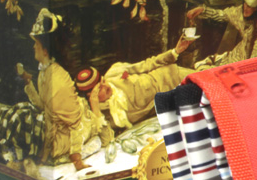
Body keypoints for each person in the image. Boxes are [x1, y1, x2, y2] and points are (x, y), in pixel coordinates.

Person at [21, 9, 111, 170]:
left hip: (66, 138)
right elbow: (43, 106)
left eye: (37, 44)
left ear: (45, 50)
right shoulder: (44, 73)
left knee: (104, 134)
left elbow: (77, 126)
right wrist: (28, 82)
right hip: (58, 130)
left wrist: (77, 159)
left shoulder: (58, 79)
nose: (33, 47)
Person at [75, 37, 196, 130]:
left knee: (206, 81)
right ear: (92, 96)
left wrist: (175, 52)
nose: (106, 86)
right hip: (170, 102)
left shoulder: (114, 72)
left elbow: (147, 64)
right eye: (100, 89)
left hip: (170, 77)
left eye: (103, 81)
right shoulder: (104, 115)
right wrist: (96, 109)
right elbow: (106, 137)